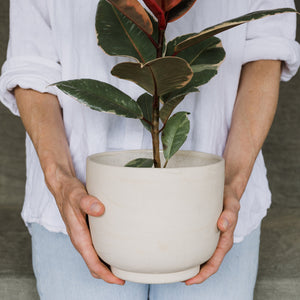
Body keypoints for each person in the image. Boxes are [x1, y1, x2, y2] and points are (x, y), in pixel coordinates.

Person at [0, 0, 299, 299]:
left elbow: (265, 50)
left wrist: (233, 183)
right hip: (77, 211)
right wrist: (60, 179)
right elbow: (31, 64)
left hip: (213, 210)